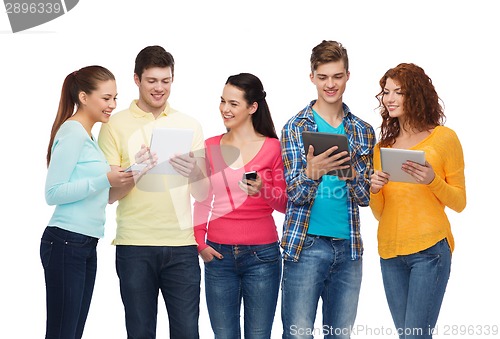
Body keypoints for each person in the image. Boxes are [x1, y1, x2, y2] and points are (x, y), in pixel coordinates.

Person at [98, 46, 207, 339]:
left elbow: (203, 193)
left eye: (166, 80)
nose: (159, 88)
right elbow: (109, 196)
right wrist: (136, 171)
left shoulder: (190, 125)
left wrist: (193, 171)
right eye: (152, 80)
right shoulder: (114, 125)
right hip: (134, 245)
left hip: (182, 247)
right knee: (140, 332)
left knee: (187, 332)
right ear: (136, 79)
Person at [280, 40, 375, 339]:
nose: (330, 84)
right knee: (298, 334)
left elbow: (364, 199)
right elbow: (294, 194)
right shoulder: (295, 127)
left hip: (349, 250)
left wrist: (352, 175)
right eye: (323, 77)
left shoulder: (362, 130)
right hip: (305, 245)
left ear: (347, 75)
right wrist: (312, 173)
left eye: (337, 76)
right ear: (312, 77)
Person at [369, 63, 466, 339]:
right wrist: (375, 190)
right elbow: (381, 213)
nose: (389, 99)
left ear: (416, 95)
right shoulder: (382, 149)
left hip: (430, 252)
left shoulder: (444, 139)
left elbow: (460, 202)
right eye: (386, 92)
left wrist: (432, 180)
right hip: (390, 253)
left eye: (398, 92)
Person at [41, 65, 134, 339]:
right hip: (65, 243)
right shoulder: (72, 132)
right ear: (83, 97)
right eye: (106, 98)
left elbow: (102, 196)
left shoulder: (88, 137)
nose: (113, 105)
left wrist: (133, 173)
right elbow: (53, 192)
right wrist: (105, 178)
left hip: (84, 244)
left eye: (115, 98)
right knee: (61, 334)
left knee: (71, 333)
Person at [193, 73, 287, 338]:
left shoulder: (273, 148)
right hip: (218, 256)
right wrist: (200, 242)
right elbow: (202, 199)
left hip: (262, 257)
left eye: (233, 103)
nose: (225, 109)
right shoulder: (211, 146)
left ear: (252, 107)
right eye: (223, 101)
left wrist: (263, 190)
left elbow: (285, 204)